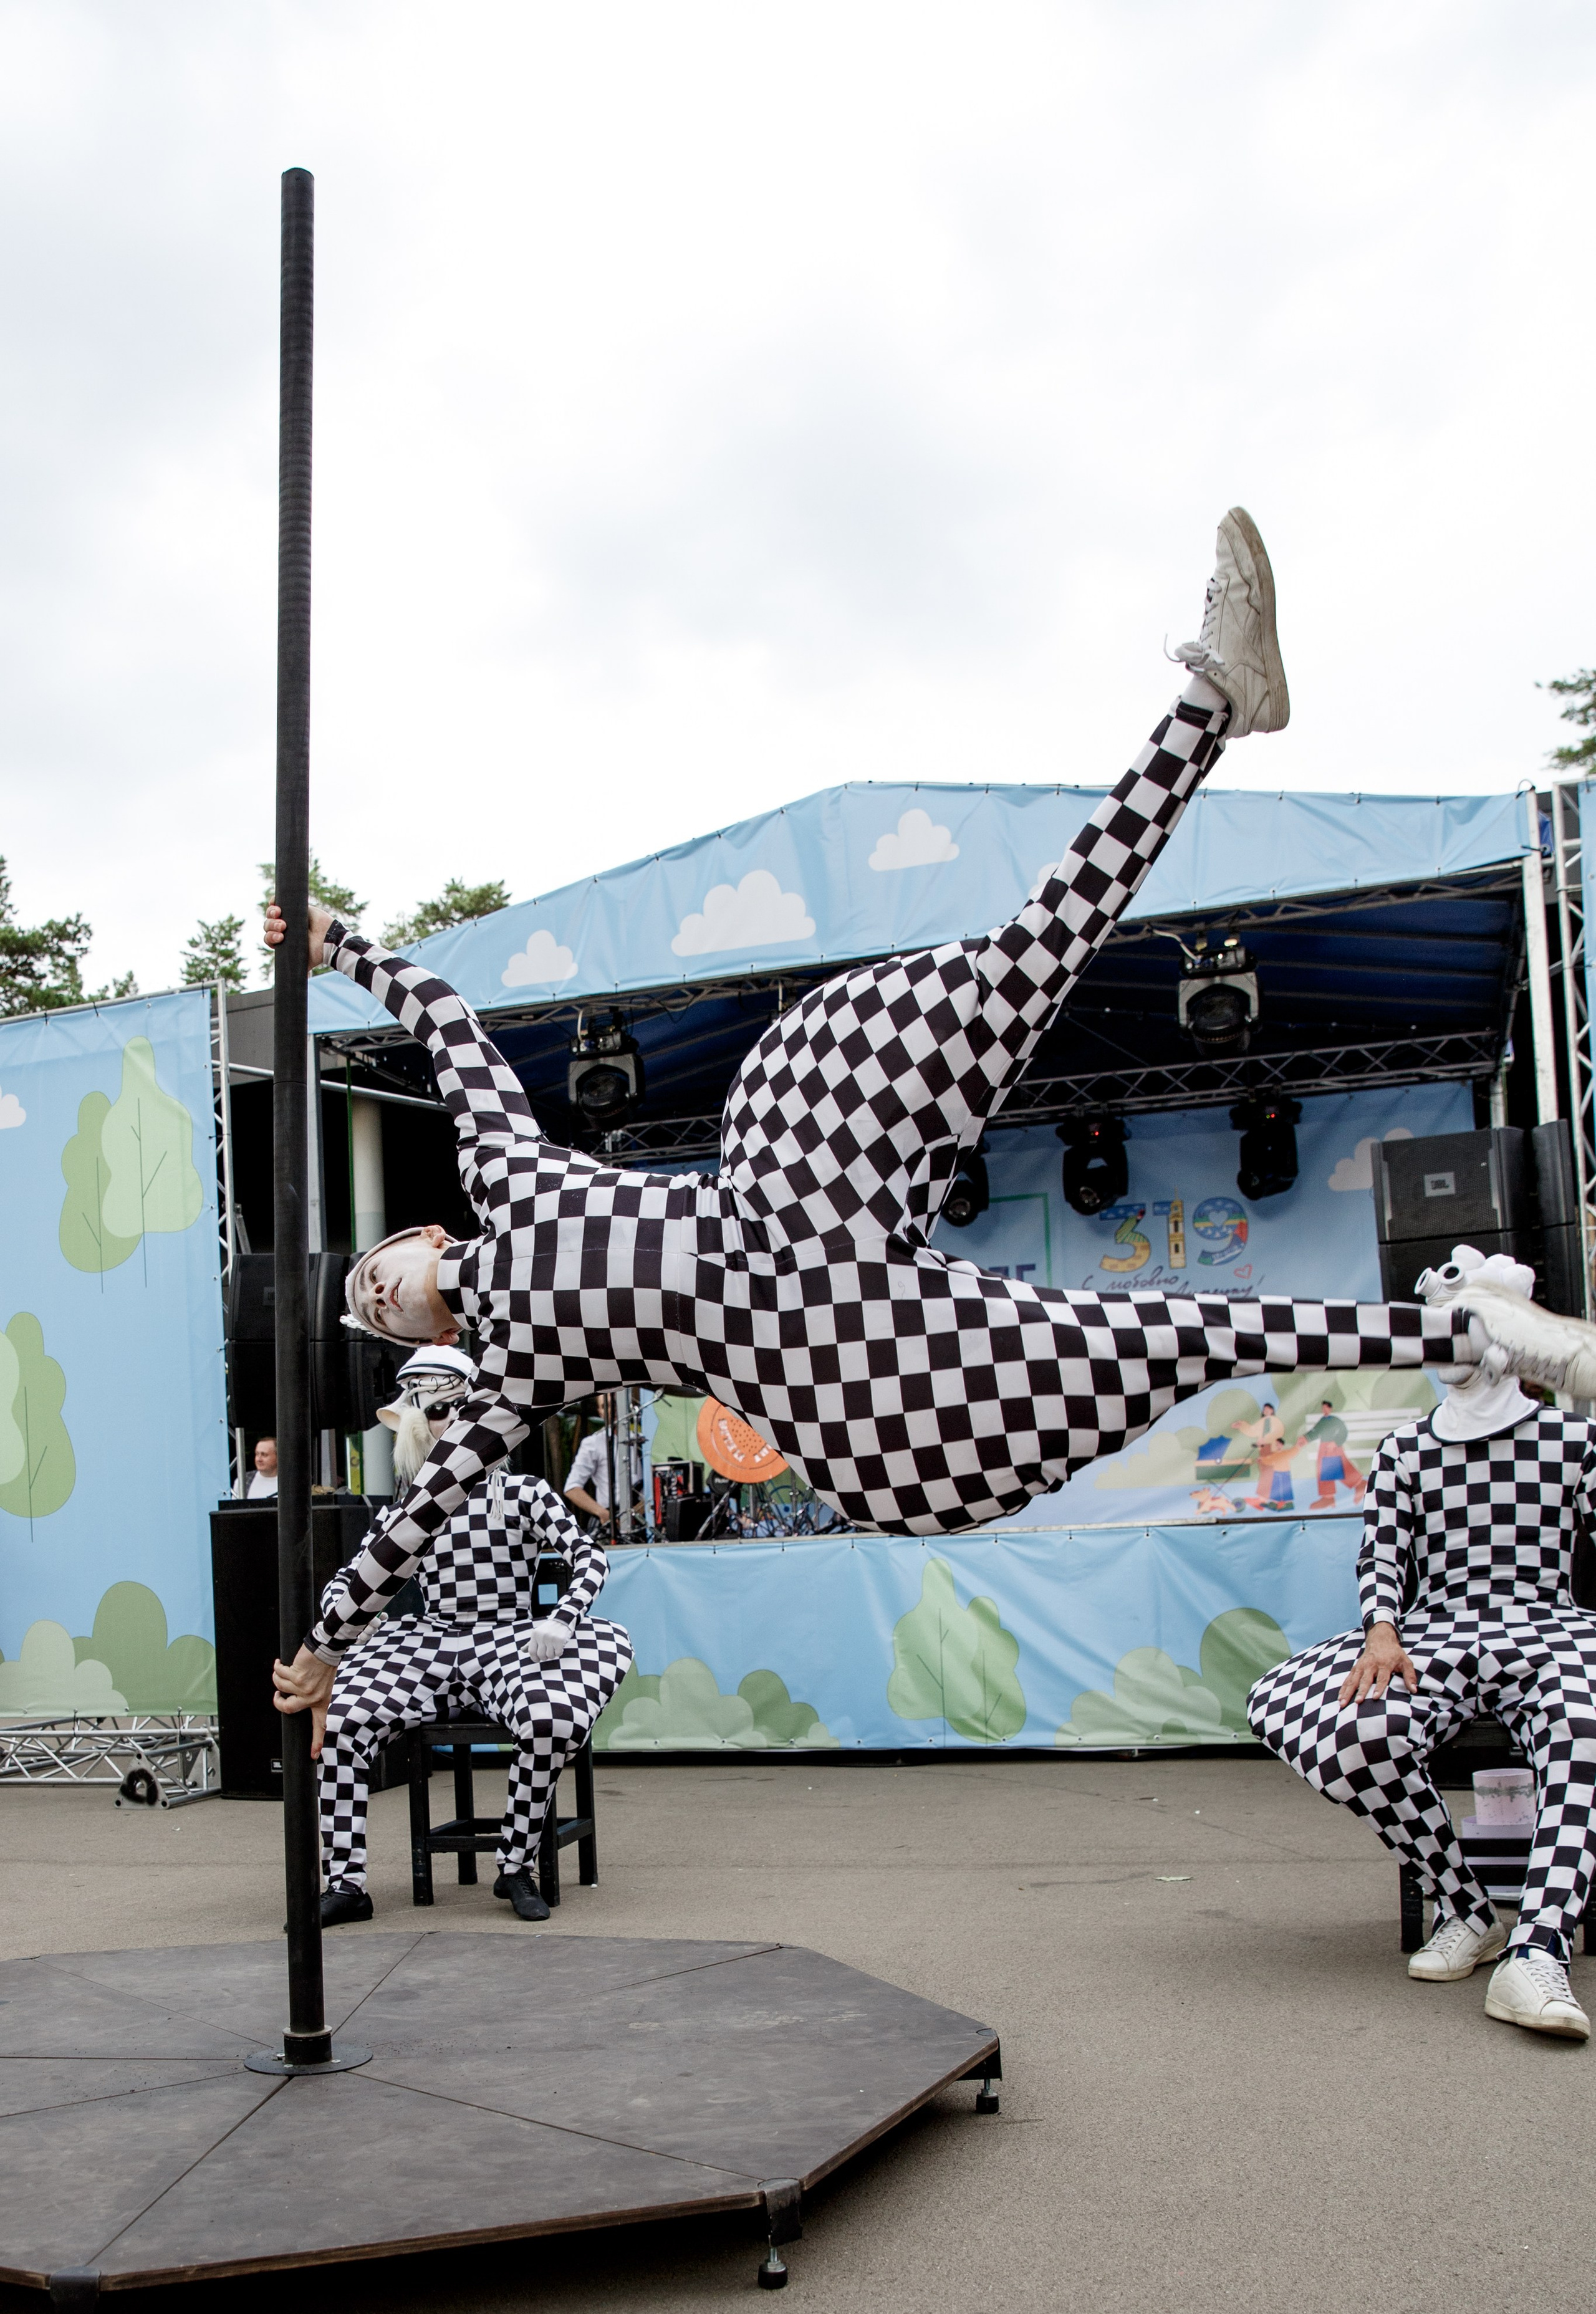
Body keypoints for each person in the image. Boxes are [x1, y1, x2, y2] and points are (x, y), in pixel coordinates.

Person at [269, 511, 1596, 1724]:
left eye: (374, 1279)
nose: (378, 1299)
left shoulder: (506, 1173)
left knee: (1014, 971)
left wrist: (340, 943)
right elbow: (411, 1523)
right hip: (830, 1361)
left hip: (787, 1186)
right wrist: (328, 1634)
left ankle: (1205, 706)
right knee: (1172, 1330)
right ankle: (1464, 1329)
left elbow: (445, 1019)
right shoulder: (506, 1381)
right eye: (374, 1315)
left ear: (426, 1236)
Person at [1249, 1249, 1596, 2041]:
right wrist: (1380, 1628)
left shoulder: (1571, 1440)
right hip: (1435, 1631)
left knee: (1582, 1724)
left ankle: (1537, 1948)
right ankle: (1467, 1907)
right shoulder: (1406, 1450)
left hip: (1545, 1623)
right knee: (1352, 1734)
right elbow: (1383, 1553)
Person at [308, 1347, 630, 1924]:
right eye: (432, 1412)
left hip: (508, 1639)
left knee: (548, 1722)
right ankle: (346, 1882)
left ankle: (515, 1865)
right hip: (428, 1643)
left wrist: (564, 1617)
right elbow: (350, 1579)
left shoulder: (522, 1492)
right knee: (340, 1722)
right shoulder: (407, 1511)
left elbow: (589, 1556)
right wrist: (353, 1615)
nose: (447, 1422)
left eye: (457, 1408)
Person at [562, 1393, 642, 1538]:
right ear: (600, 1412)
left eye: (617, 1404)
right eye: (607, 1406)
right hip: (612, 1520)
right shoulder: (593, 1443)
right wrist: (603, 1513)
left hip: (641, 1519)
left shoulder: (639, 1439)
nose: (614, 1410)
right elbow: (572, 1488)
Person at [1309, 1397, 1366, 1510]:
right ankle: (1328, 1497)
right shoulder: (1322, 1421)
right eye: (1323, 1408)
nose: (1324, 1410)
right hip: (1324, 1448)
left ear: (1330, 1408)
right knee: (1324, 1470)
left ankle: (1360, 1484)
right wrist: (1305, 1439)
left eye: (1326, 1408)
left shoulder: (1336, 1421)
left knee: (1339, 1467)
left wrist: (1335, 1443)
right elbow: (1315, 1432)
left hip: (1334, 1448)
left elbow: (1343, 1433)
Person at [239, 1435, 277, 1500]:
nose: (259, 1459)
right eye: (257, 1454)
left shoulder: (291, 1482)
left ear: (278, 1457)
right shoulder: (244, 1481)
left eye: (264, 1455)